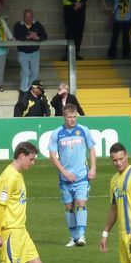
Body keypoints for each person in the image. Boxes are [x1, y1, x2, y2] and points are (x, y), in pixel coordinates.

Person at [48, 103, 96, 247]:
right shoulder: (57, 133)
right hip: (65, 178)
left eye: (75, 117)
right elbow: (52, 156)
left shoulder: (83, 130)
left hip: (82, 176)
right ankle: (73, 237)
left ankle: (81, 236)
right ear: (64, 117)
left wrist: (93, 168)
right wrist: (64, 171)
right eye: (69, 117)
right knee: (69, 206)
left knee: (81, 203)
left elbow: (92, 150)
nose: (72, 120)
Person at [13, 9, 47, 95]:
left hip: (35, 52)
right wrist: (28, 36)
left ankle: (31, 90)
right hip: (23, 52)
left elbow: (44, 36)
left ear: (32, 17)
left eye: (30, 17)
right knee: (25, 71)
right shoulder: (18, 25)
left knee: (34, 72)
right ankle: (23, 90)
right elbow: (17, 36)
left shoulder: (37, 24)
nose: (28, 19)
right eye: (26, 17)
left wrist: (37, 38)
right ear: (23, 17)